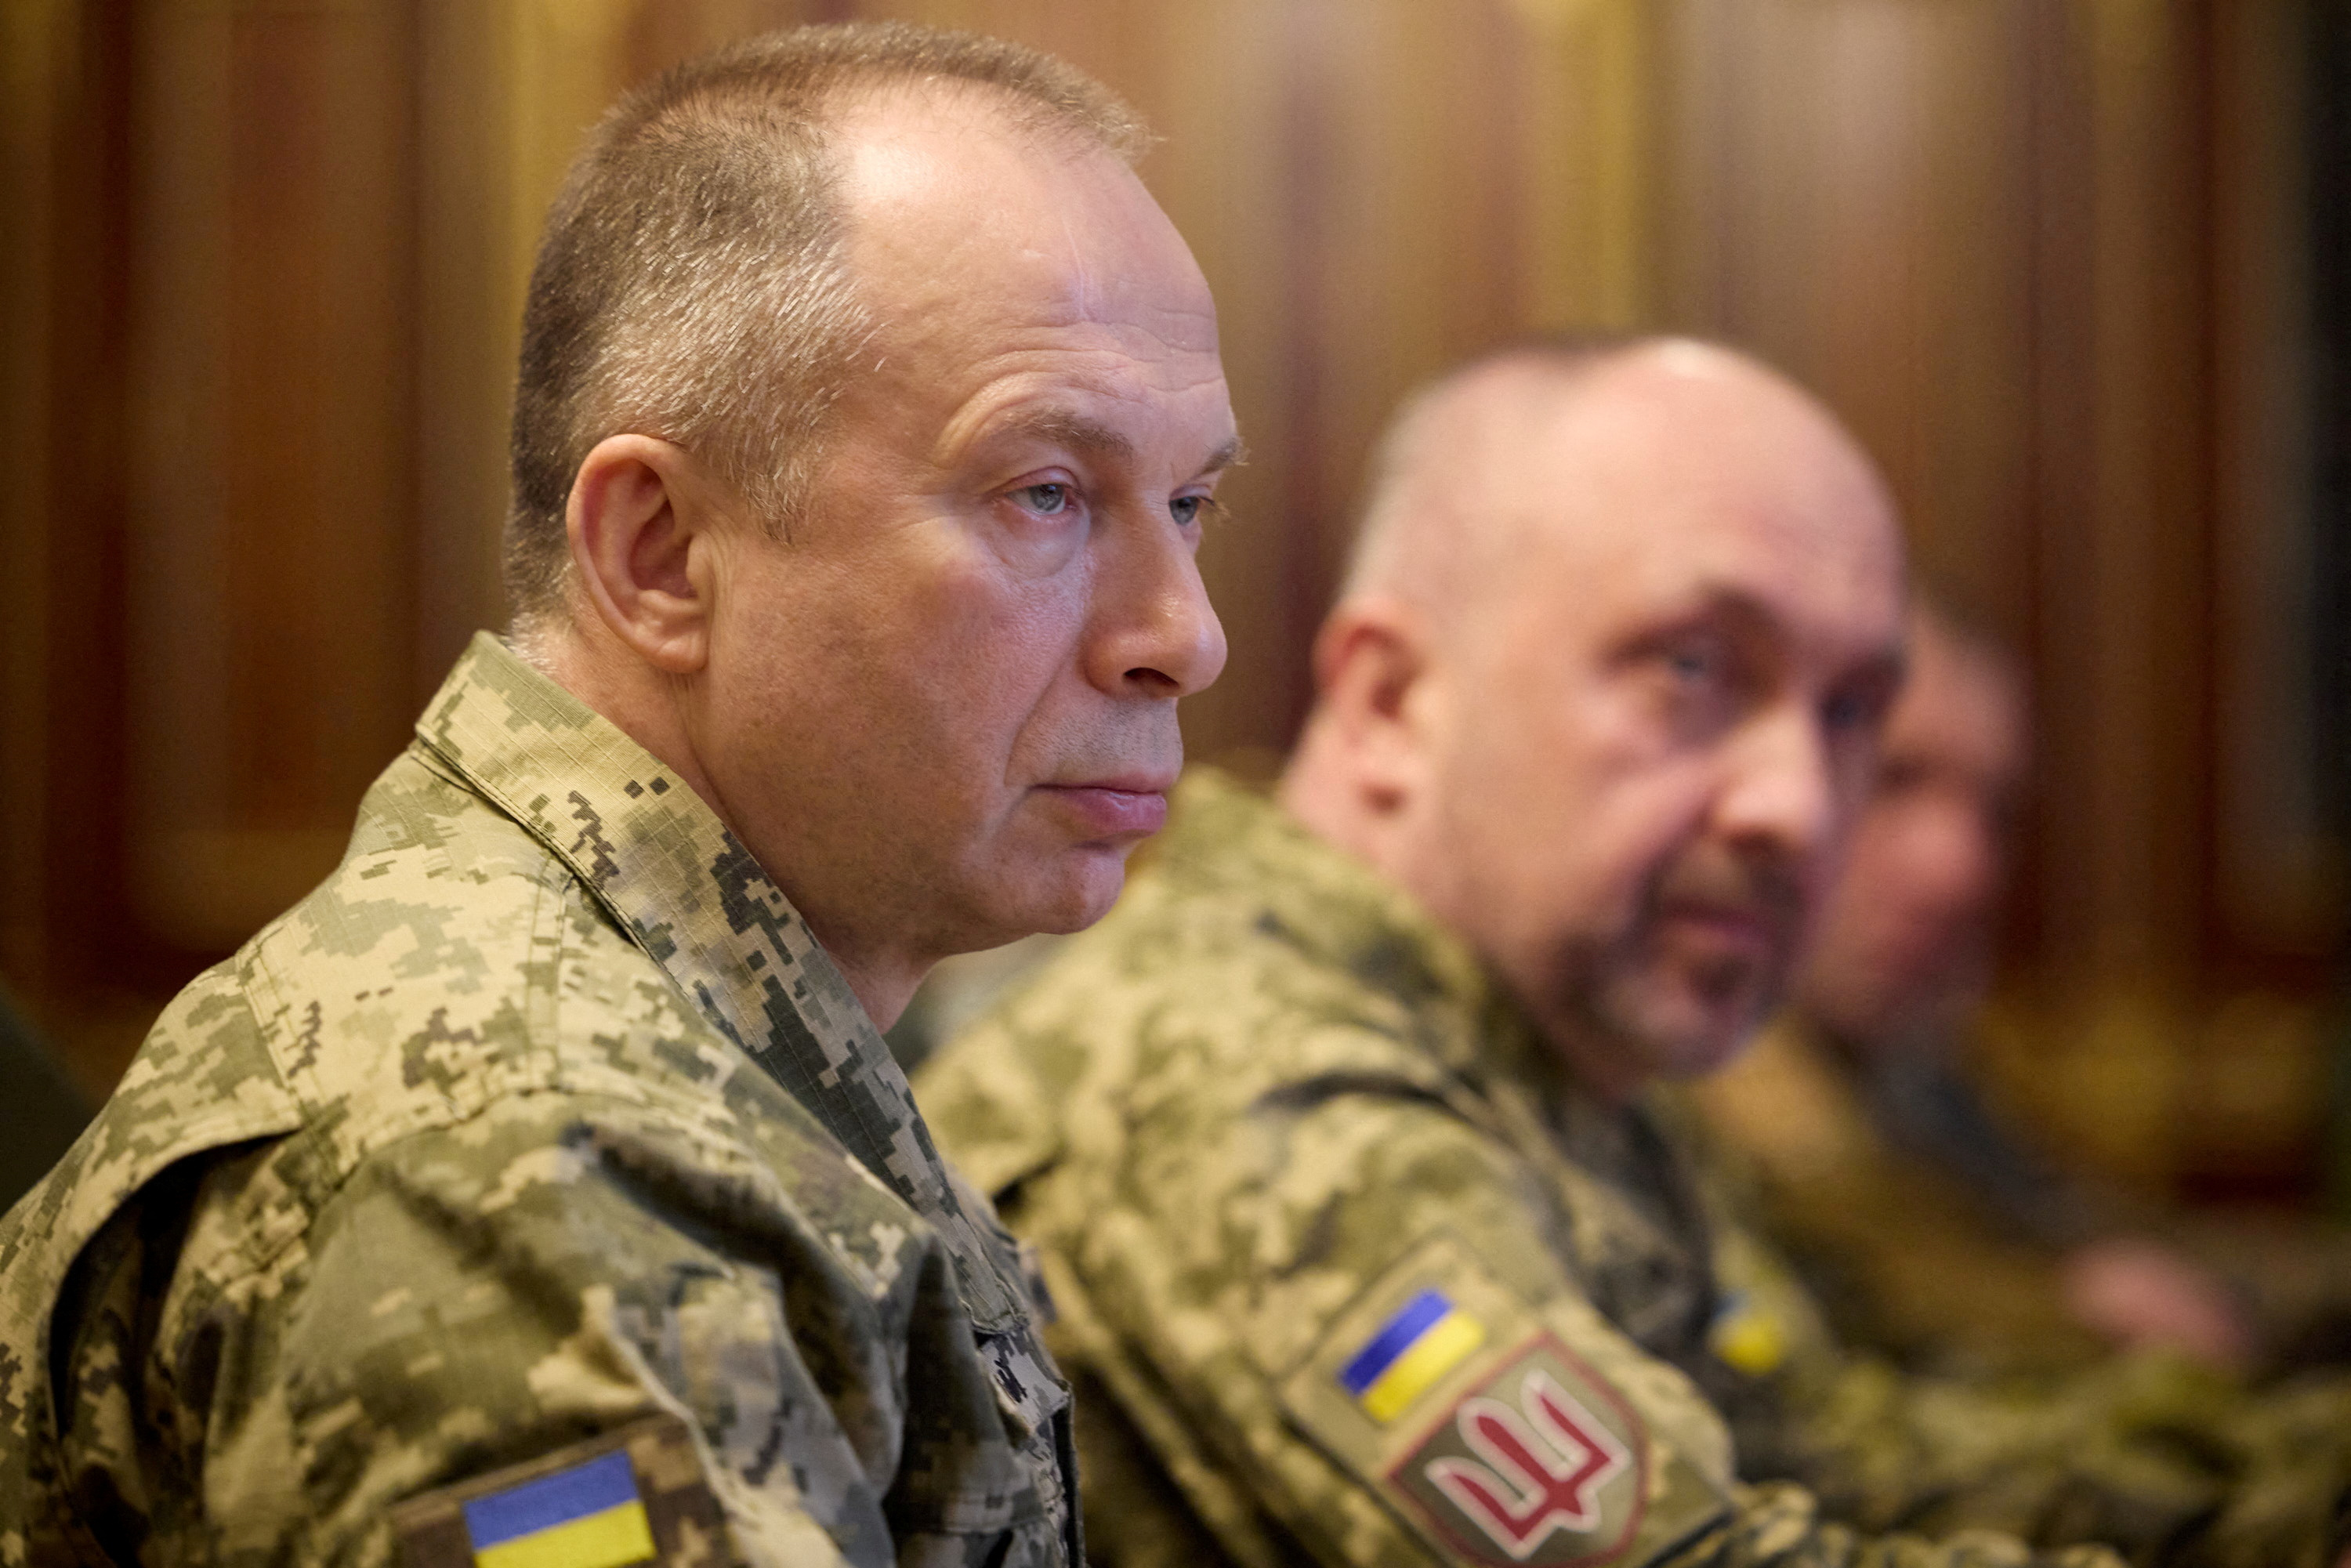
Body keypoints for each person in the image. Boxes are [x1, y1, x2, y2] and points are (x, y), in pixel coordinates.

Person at [0, 22, 1233, 1566]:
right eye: (1045, 492)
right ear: (658, 553)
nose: (1184, 633)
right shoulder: (517, 1151)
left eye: (1189, 505)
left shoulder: (693, 1039)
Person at [918, 338, 2351, 1568]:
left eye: (1852, 711)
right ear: (1396, 699)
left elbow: (1858, 1460)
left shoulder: (1555, 1045)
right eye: (1691, 668)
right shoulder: (1243, 1077)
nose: (1798, 807)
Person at [1676, 609, 2263, 1378]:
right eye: (1893, 780)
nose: (1962, 871)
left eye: (1997, 812)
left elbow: (2102, 1236)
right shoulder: (1677, 1062)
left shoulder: (1915, 1060)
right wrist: (2082, 1322)